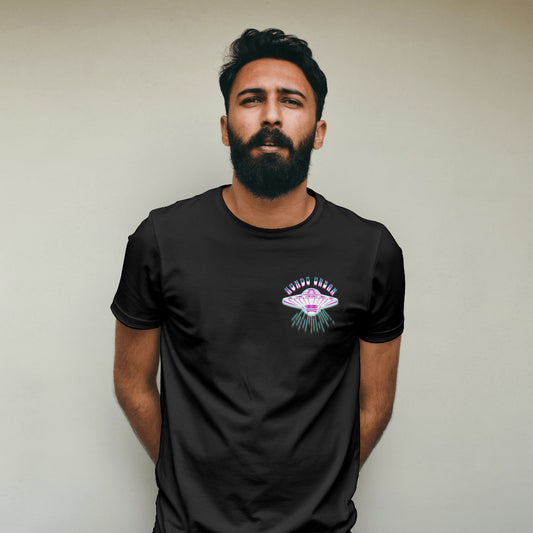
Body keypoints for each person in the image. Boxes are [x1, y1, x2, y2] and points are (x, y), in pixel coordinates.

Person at [111, 28, 405, 533]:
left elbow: (375, 403)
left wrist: (322, 489)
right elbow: (131, 382)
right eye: (252, 100)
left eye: (291, 101)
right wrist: (186, 479)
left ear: (318, 130)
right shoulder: (161, 239)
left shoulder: (370, 251)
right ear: (226, 128)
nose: (271, 115)